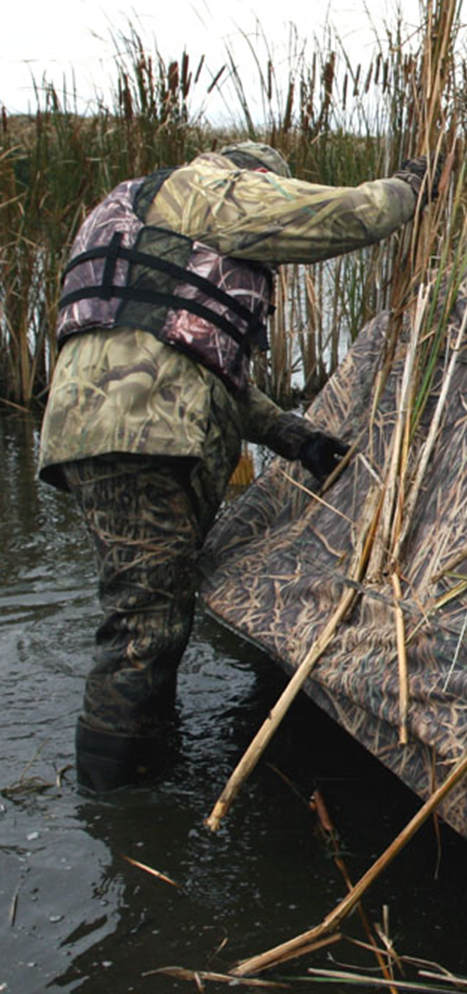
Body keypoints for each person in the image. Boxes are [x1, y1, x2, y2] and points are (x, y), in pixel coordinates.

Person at [38, 141, 436, 792]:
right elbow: (342, 215)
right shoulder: (211, 190)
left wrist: (295, 437)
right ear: (256, 177)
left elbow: (187, 356)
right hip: (148, 432)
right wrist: (406, 188)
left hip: (100, 429)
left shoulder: (133, 208)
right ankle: (122, 803)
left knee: (148, 606)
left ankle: (148, 762)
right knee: (145, 624)